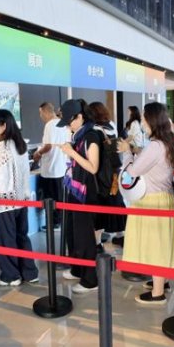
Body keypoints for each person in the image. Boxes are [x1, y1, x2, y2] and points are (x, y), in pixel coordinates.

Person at [117, 102, 174, 305]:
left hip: (151, 201)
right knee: (161, 242)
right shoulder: (167, 141)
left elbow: (131, 173)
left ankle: (157, 293)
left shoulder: (155, 146)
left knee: (154, 245)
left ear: (152, 120)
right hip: (164, 198)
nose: (142, 122)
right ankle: (162, 281)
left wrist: (127, 152)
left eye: (144, 119)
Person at [0, 110, 39, 286]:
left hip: (4, 201)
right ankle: (29, 272)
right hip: (20, 199)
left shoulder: (1, 147)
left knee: (5, 240)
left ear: (4, 125)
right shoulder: (19, 144)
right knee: (21, 237)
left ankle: (11, 276)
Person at [58, 99, 101, 294]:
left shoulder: (91, 136)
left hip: (86, 193)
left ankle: (90, 279)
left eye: (70, 121)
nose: (68, 126)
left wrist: (71, 152)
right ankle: (77, 269)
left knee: (84, 236)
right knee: (73, 233)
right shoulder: (79, 135)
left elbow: (93, 167)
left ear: (80, 117)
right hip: (76, 190)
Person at [89, 102, 126, 247]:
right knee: (116, 201)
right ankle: (121, 235)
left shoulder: (95, 131)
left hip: (101, 174)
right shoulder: (111, 126)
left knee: (99, 207)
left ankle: (97, 243)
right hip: (114, 172)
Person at [32, 102, 69, 229]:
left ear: (45, 111)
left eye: (40, 113)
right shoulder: (63, 124)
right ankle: (59, 221)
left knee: (50, 199)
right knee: (59, 197)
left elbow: (48, 146)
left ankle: (54, 223)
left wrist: (38, 153)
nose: (40, 116)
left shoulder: (49, 125)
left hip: (50, 169)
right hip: (61, 167)